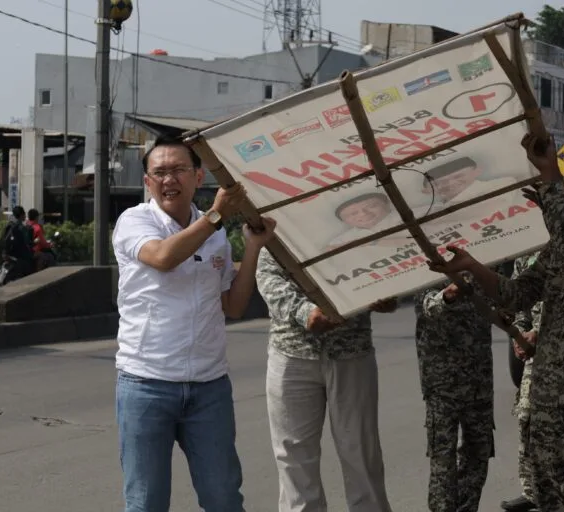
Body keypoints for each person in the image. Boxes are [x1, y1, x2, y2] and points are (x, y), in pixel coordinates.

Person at [111, 135, 277, 512]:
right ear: (147, 182)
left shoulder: (215, 236)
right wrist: (218, 216)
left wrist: (253, 248)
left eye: (179, 170)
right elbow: (164, 257)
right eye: (160, 172)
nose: (170, 179)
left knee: (223, 498)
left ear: (198, 176)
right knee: (146, 502)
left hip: (208, 387)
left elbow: (233, 306)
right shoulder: (134, 221)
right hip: (146, 383)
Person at [429, 133, 564, 512]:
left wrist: (550, 171)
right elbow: (516, 294)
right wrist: (471, 266)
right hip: (550, 390)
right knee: (549, 491)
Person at [255, 247, 397, 512]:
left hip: (351, 352)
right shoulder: (278, 227)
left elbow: (382, 265)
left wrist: (387, 294)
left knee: (361, 453)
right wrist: (304, 312)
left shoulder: (356, 228)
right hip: (291, 352)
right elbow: (268, 275)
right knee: (293, 458)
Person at [414, 275, 497, 512]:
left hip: (479, 375)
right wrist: (447, 295)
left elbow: (503, 296)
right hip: (442, 380)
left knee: (478, 451)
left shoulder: (484, 263)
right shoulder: (428, 263)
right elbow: (425, 304)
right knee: (443, 455)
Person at [500, 252, 542, 512]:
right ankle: (531, 491)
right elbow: (518, 299)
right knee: (526, 416)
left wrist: (538, 331)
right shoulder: (526, 255)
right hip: (535, 354)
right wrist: (519, 334)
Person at [2, 205, 34, 279]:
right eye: (24, 214)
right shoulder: (22, 227)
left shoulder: (9, 225)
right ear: (22, 215)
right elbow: (27, 242)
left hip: (9, 254)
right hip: (20, 256)